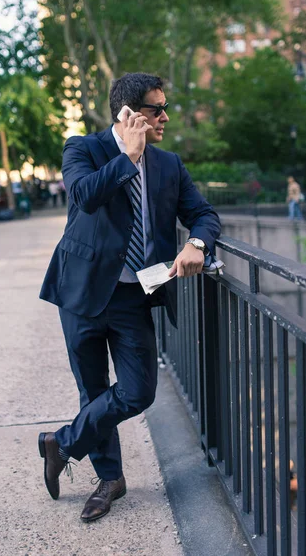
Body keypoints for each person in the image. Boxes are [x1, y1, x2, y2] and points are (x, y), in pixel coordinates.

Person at [39, 73, 221, 522]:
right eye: (156, 108)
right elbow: (84, 196)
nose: (165, 116)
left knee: (137, 392)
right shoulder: (82, 148)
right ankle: (110, 479)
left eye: (164, 107)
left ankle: (60, 444)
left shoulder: (169, 165)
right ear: (129, 113)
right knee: (94, 389)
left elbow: (202, 214)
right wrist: (127, 155)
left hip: (133, 296)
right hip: (80, 291)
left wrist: (196, 244)